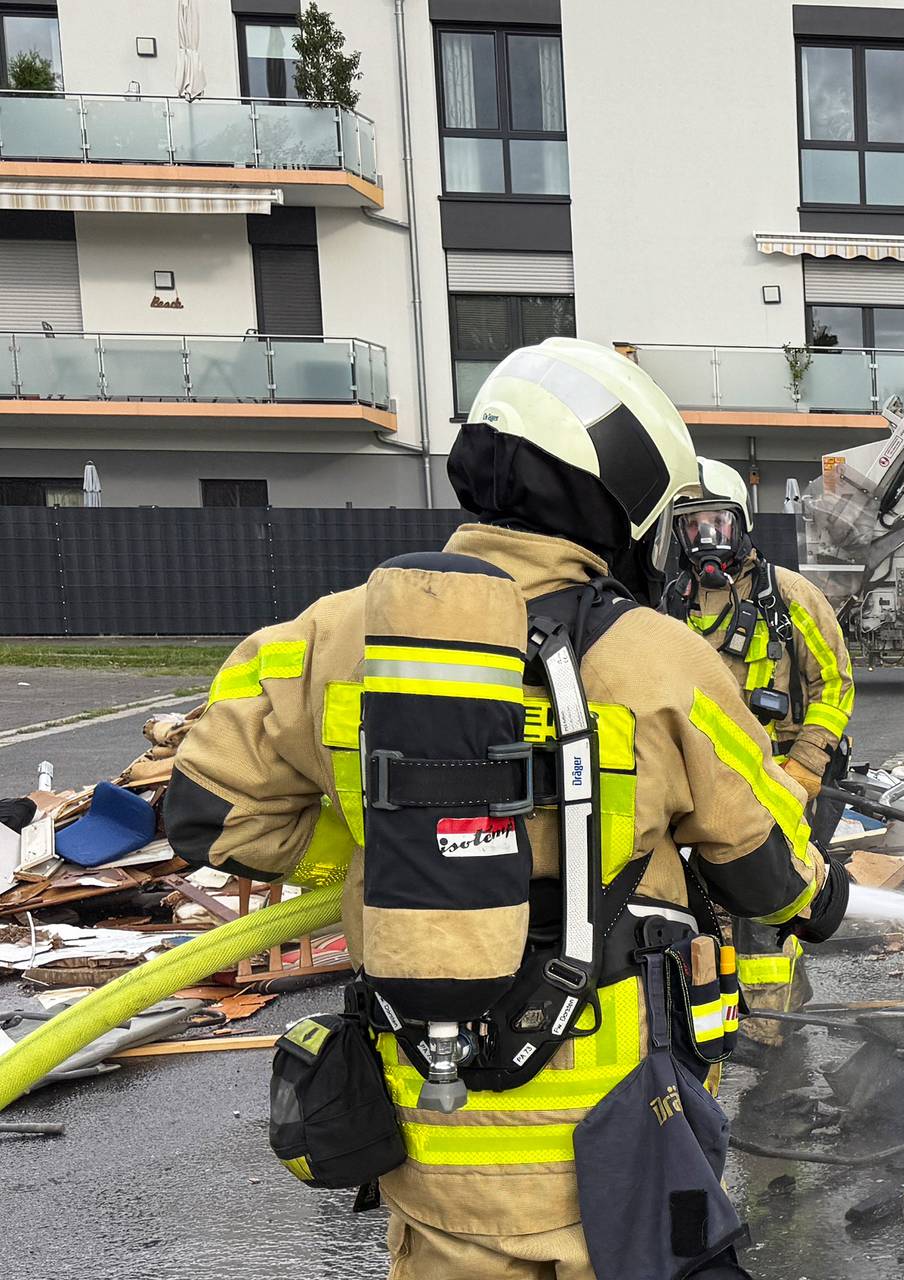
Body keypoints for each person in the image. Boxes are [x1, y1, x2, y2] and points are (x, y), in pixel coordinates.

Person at [164, 338, 848, 1278]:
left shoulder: (328, 633)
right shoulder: (658, 659)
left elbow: (211, 813)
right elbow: (763, 866)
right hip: (613, 1132)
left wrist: (392, 851)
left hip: (426, 1123)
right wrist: (823, 895)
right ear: (623, 497)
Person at [660, 457, 856, 1050]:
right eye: (694, 528)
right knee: (696, 906)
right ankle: (712, 1022)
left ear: (741, 525)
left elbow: (836, 684)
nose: (707, 540)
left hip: (782, 784)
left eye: (718, 523)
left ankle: (773, 1033)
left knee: (768, 910)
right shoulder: (668, 608)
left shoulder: (791, 597)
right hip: (701, 786)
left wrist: (809, 762)